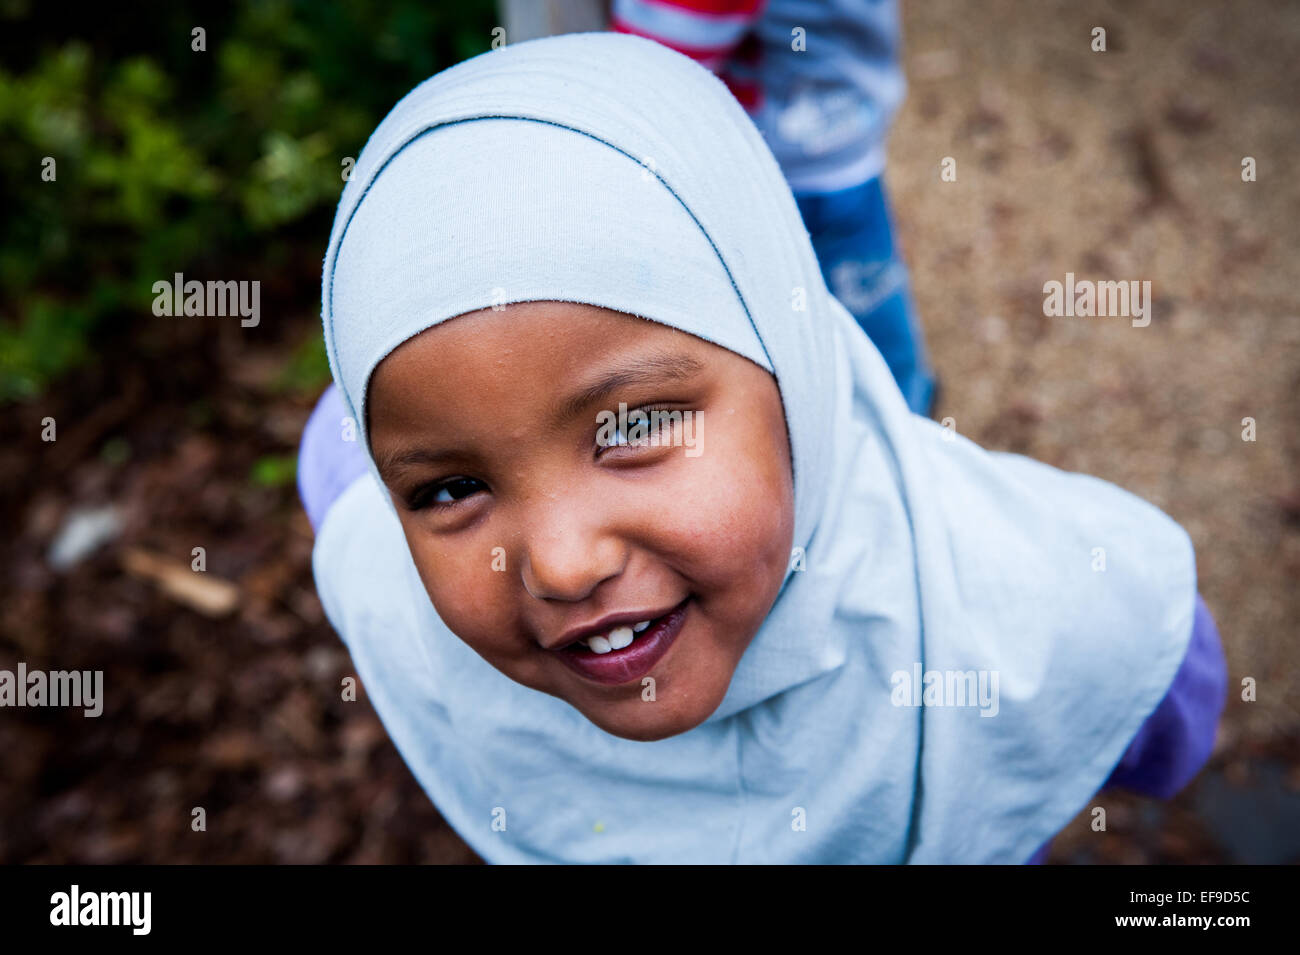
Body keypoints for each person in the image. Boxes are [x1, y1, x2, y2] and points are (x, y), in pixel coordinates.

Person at [298, 32, 1225, 863]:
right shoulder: (376, 554)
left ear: (791, 370)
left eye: (632, 426)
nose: (563, 563)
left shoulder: (1039, 604)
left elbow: (1154, 679)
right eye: (453, 486)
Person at [609, 0, 938, 415]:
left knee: (786, 309)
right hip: (848, 128)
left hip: (782, 162)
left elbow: (656, 70)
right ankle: (905, 405)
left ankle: (888, 417)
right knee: (867, 289)